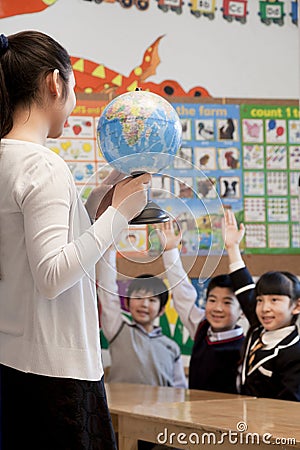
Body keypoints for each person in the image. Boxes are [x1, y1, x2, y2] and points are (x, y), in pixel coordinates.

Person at [0, 30, 151, 450]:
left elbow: (36, 254)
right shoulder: (42, 164)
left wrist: (100, 197)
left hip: (16, 364)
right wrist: (121, 213)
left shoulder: (10, 158)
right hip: (56, 374)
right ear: (54, 82)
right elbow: (51, 275)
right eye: (74, 86)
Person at [156, 221, 245, 394]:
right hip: (194, 415)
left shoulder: (245, 346)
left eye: (227, 302)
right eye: (212, 300)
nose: (217, 308)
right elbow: (183, 295)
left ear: (242, 311)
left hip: (229, 417)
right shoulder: (201, 327)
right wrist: (170, 251)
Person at [222, 209, 300, 401]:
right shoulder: (259, 325)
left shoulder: (295, 353)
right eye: (260, 300)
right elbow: (243, 284)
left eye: (275, 300)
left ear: (296, 306)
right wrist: (232, 248)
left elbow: (290, 403)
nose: (265, 308)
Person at [96, 246, 187, 388]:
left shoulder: (171, 347)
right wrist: (110, 249)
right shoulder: (118, 331)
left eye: (152, 300)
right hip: (120, 408)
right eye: (138, 297)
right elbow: (107, 290)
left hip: (160, 409)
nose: (144, 304)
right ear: (127, 302)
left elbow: (180, 389)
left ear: (161, 310)